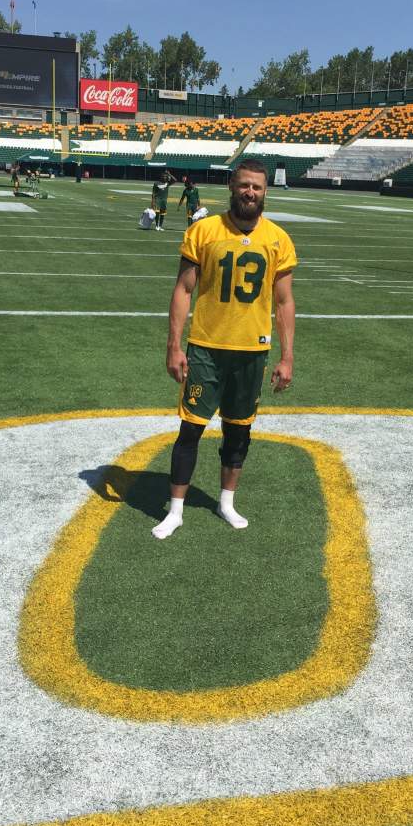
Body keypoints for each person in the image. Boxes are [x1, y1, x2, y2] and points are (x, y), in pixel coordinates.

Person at [152, 158, 297, 540]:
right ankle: (176, 509)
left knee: (238, 432)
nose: (250, 192)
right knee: (190, 430)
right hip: (206, 348)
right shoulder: (204, 231)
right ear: (232, 187)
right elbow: (184, 290)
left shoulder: (278, 239)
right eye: (244, 185)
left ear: (266, 192)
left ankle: (227, 503)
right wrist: (174, 346)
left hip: (252, 351)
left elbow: (283, 302)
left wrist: (286, 356)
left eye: (258, 187)